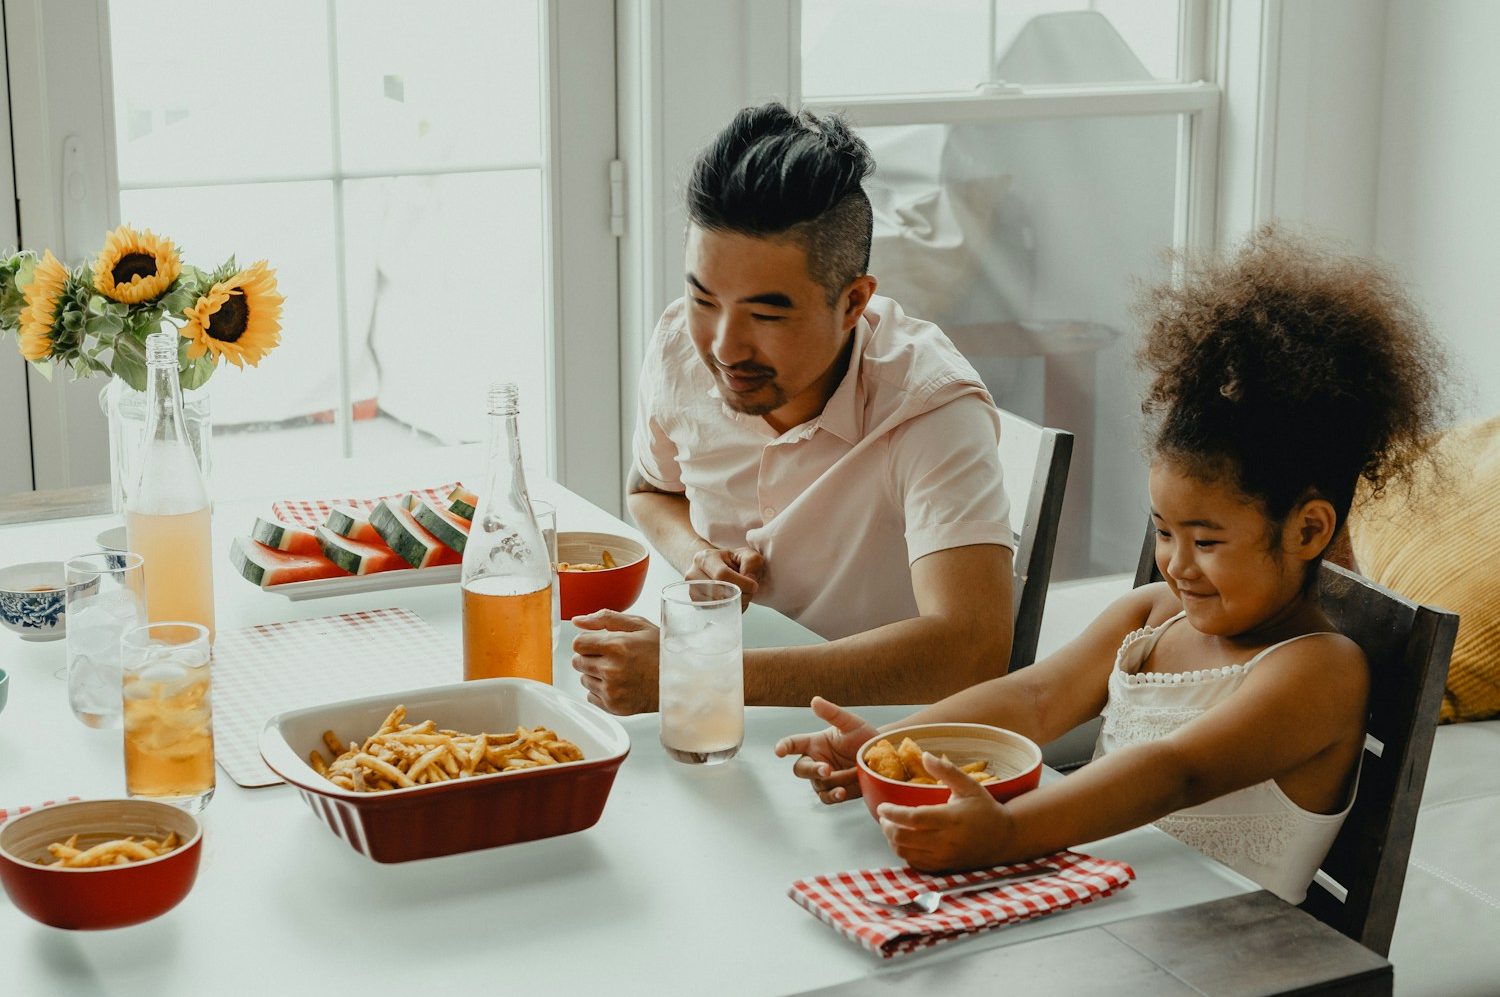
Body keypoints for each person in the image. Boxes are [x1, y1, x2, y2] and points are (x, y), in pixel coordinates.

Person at [775, 229, 1452, 903]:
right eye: (1164, 530)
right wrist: (893, 742)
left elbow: (1174, 770)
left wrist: (1006, 832)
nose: (1176, 565)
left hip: (1227, 959)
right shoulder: (1151, 619)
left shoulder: (1318, 670)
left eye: (1207, 541)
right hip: (1098, 911)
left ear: (1307, 528)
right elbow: (1035, 697)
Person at [571, 103, 1016, 715]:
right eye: (704, 298)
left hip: (874, 738)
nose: (724, 345)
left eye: (767, 314)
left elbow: (971, 651)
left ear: (854, 302)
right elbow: (651, 491)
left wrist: (700, 673)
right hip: (719, 715)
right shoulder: (680, 342)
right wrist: (698, 556)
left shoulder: (930, 409)